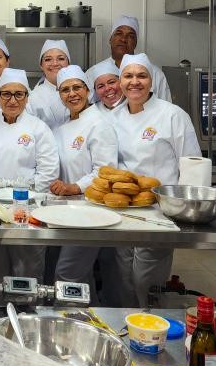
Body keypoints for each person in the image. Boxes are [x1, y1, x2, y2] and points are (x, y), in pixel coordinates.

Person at [111, 53, 199, 307]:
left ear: (151, 81)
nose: (134, 82)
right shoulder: (113, 117)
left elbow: (191, 165)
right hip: (122, 210)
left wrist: (183, 211)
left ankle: (152, 321)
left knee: (146, 280)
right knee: (123, 276)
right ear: (120, 81)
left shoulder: (172, 115)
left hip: (159, 212)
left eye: (142, 76)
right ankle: (126, 323)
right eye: (128, 76)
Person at [0, 68, 59, 278]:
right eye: (6, 94)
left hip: (26, 211)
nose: (12, 100)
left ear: (27, 97)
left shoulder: (38, 128)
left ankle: (26, 300)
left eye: (19, 94)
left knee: (27, 271)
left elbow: (48, 172)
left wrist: (25, 203)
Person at [49, 65, 121, 302]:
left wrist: (74, 187)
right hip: (65, 211)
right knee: (83, 276)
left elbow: (105, 171)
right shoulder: (60, 128)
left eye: (77, 88)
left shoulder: (99, 124)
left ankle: (67, 320)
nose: (72, 94)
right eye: (65, 90)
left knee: (67, 273)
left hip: (90, 212)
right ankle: (89, 316)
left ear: (87, 90)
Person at [88, 16, 171, 103]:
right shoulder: (93, 73)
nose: (123, 39)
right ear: (110, 39)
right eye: (119, 34)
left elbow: (166, 107)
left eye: (130, 36)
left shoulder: (155, 74)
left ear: (136, 42)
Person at [28, 39, 73, 129]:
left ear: (68, 63)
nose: (55, 63)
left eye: (61, 58)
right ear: (41, 65)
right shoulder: (33, 97)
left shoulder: (80, 92)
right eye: (48, 59)